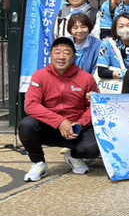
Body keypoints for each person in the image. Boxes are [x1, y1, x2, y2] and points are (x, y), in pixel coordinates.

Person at [19, 37, 100, 182]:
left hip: (76, 129)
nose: (61, 57)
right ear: (50, 54)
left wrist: (81, 123)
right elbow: (30, 105)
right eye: (57, 52)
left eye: (67, 53)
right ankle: (38, 163)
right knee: (26, 125)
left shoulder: (86, 79)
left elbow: (96, 106)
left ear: (74, 56)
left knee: (92, 148)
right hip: (49, 127)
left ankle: (73, 156)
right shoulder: (40, 76)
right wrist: (60, 121)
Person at [96, 13, 129, 86]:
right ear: (115, 29)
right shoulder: (107, 44)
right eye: (121, 26)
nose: (125, 29)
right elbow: (101, 71)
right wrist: (122, 74)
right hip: (119, 86)